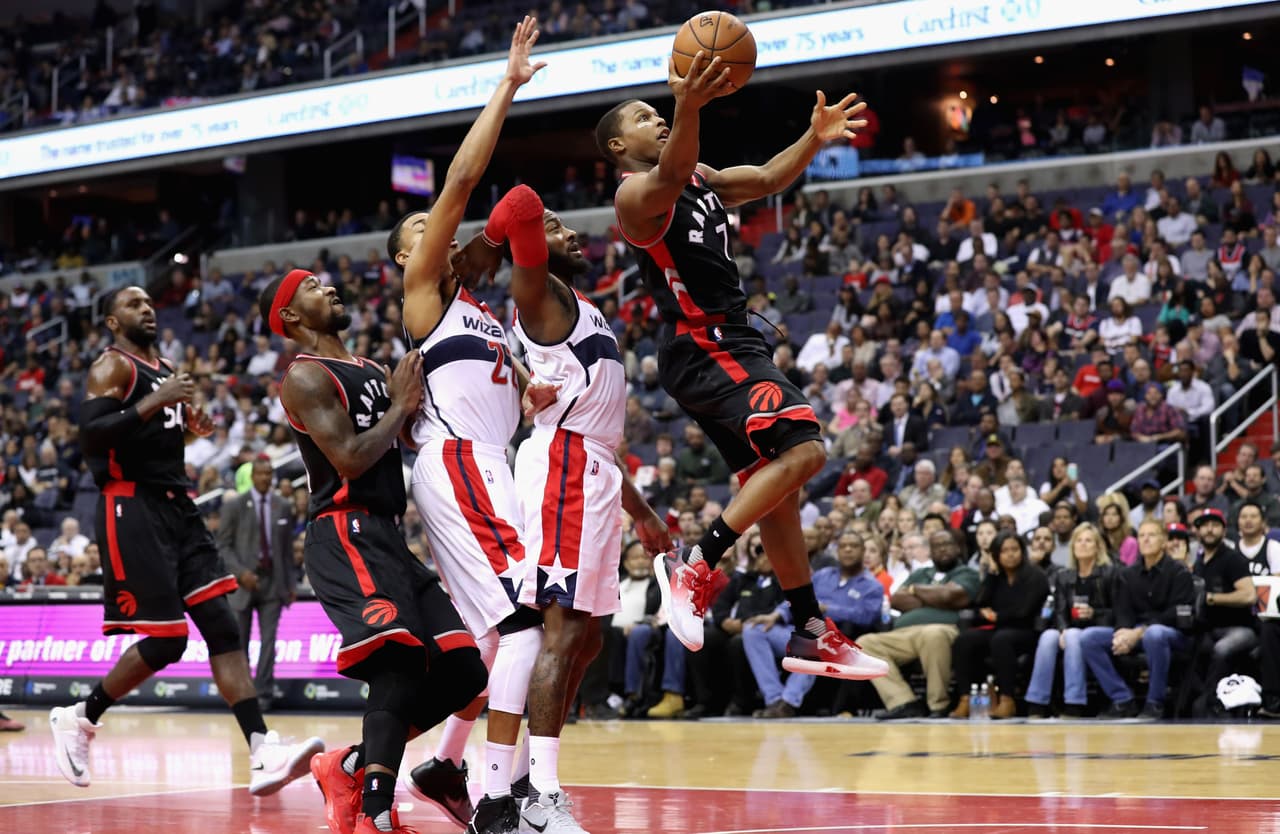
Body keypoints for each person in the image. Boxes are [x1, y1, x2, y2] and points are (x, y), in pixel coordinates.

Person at [595, 56, 886, 683]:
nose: (661, 122)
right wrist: (689, 103)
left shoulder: (696, 174)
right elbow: (670, 172)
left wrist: (813, 137)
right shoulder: (634, 194)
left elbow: (763, 178)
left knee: (778, 489)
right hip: (706, 344)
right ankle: (697, 561)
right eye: (647, 118)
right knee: (807, 448)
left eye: (661, 112)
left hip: (729, 343)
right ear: (622, 146)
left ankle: (810, 629)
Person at [49, 286, 323, 794]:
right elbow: (90, 437)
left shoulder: (166, 367)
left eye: (150, 302)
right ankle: (79, 718)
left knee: (222, 626)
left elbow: (154, 433)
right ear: (112, 322)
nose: (147, 308)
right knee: (170, 640)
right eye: (133, 304)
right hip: (132, 504)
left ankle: (262, 749)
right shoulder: (113, 367)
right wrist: (159, 400)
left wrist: (192, 428)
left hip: (179, 504)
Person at [457, 193, 672, 833]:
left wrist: (642, 512)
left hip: (595, 467)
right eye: (557, 229)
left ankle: (526, 782)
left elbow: (599, 429)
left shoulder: (586, 310)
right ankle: (539, 797)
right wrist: (502, 235)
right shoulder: (539, 294)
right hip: (566, 469)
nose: (573, 232)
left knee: (588, 638)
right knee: (562, 628)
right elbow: (520, 206)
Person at [382, 24, 551, 834]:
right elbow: (463, 178)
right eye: (417, 233)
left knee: (501, 636)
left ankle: (444, 762)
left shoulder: (484, 313)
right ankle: (495, 797)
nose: (431, 234)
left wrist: (536, 388)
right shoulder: (427, 293)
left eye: (432, 231)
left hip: (495, 463)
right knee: (526, 622)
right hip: (458, 464)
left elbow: (520, 391)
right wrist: (508, 85)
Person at [266, 262, 488, 834]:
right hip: (344, 532)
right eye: (312, 286)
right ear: (290, 316)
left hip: (388, 534)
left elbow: (401, 429)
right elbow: (350, 457)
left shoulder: (367, 367)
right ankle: (376, 815)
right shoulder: (305, 376)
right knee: (398, 664)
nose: (331, 287)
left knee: (465, 670)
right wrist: (400, 405)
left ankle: (351, 765)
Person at [856, 529, 981, 719]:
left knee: (932, 634)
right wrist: (938, 596)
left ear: (957, 548)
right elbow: (897, 599)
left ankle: (938, 704)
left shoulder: (967, 573)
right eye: (937, 546)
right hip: (904, 633)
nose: (943, 549)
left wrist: (916, 591)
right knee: (864, 643)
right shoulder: (922, 573)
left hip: (943, 629)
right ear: (930, 551)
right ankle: (904, 702)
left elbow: (953, 595)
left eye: (947, 544)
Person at [1080, 520, 1196, 720]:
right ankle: (1122, 699)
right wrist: (1123, 634)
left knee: (1155, 633)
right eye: (1141, 536)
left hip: (1173, 634)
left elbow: (1176, 612)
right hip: (1137, 633)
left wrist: (1139, 632)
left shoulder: (1178, 571)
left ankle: (1155, 703)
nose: (1146, 540)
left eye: (1151, 535)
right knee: (1089, 638)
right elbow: (1122, 610)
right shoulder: (1128, 573)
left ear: (1164, 541)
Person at [217, 455, 296, 712]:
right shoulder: (235, 506)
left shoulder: (283, 505)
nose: (265, 478)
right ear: (252, 477)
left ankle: (263, 693)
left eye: (269, 474)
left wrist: (291, 583)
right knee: (239, 643)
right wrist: (241, 574)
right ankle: (243, 694)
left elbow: (286, 550)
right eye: (261, 474)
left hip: (273, 582)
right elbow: (223, 547)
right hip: (242, 584)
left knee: (269, 641)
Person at [949, 531, 1049, 719]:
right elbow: (980, 605)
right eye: (1004, 551)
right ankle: (965, 699)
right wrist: (992, 575)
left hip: (1027, 631)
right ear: (996, 555)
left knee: (1001, 640)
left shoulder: (1035, 575)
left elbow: (1025, 612)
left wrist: (998, 617)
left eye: (1014, 549)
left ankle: (1007, 700)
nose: (1010, 554)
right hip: (1000, 629)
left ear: (1022, 551)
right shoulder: (996, 577)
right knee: (964, 641)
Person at [1025, 523, 1115, 718]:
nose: (1082, 545)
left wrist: (1094, 613)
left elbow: (1116, 611)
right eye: (1079, 541)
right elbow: (1059, 610)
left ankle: (1074, 703)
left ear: (1098, 547)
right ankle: (1037, 702)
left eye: (1088, 540)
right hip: (1070, 628)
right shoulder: (1063, 576)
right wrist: (1062, 628)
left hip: (1098, 629)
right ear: (1073, 546)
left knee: (1074, 636)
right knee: (1048, 636)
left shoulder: (1109, 574)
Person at [1190, 509, 1258, 715]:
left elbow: (1249, 595)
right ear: (1198, 531)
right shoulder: (1199, 562)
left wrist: (1212, 598)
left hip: (1241, 628)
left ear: (1224, 530)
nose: (1210, 530)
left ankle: (1212, 703)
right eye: (1205, 525)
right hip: (1209, 627)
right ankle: (1193, 701)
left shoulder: (1232, 559)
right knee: (1187, 648)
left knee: (1221, 649)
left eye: (1215, 525)